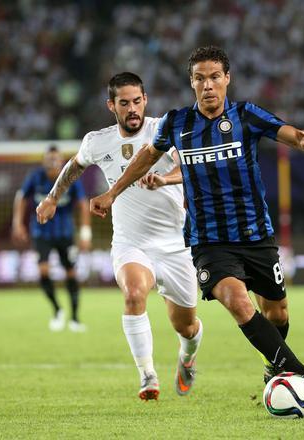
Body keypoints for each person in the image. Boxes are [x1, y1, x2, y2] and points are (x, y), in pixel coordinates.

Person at [89, 46, 304, 396]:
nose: (208, 85)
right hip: (209, 241)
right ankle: (300, 374)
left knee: (277, 313)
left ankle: (274, 367)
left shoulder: (246, 115)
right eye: (200, 78)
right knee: (237, 301)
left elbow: (286, 132)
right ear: (192, 83)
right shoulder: (177, 123)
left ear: (227, 79)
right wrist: (112, 193)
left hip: (254, 234)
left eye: (215, 77)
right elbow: (146, 157)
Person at [35, 72, 203, 401]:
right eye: (124, 103)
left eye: (137, 101)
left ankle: (188, 354)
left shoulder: (163, 130)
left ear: (146, 100)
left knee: (186, 326)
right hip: (131, 243)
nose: (132, 109)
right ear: (111, 105)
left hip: (175, 244)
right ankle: (147, 375)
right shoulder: (98, 141)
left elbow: (188, 167)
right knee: (134, 294)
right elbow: (74, 166)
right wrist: (53, 197)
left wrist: (164, 179)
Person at [12, 145, 90, 332]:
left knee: (71, 273)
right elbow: (21, 197)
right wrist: (17, 223)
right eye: (49, 159)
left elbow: (83, 204)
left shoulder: (70, 177)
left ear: (61, 161)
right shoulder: (35, 177)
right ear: (44, 161)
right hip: (41, 233)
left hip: (65, 233)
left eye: (55, 159)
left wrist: (85, 233)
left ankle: (75, 318)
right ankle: (57, 310)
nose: (52, 162)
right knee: (43, 271)